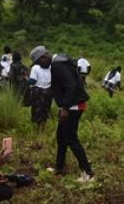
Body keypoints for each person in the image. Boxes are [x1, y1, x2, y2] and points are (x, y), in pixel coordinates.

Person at [33, 45, 94, 182]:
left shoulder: (58, 65)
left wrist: (65, 107)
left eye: (38, 62)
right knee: (61, 136)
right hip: (70, 105)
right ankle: (59, 168)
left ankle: (88, 173)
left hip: (73, 106)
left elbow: (71, 85)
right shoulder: (59, 61)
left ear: (44, 57)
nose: (39, 65)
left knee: (71, 138)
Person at [28, 48, 53, 131]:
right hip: (48, 91)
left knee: (38, 110)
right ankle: (43, 127)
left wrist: (26, 78)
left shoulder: (35, 68)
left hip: (38, 92)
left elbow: (32, 81)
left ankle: (38, 129)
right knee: (46, 110)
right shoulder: (50, 67)